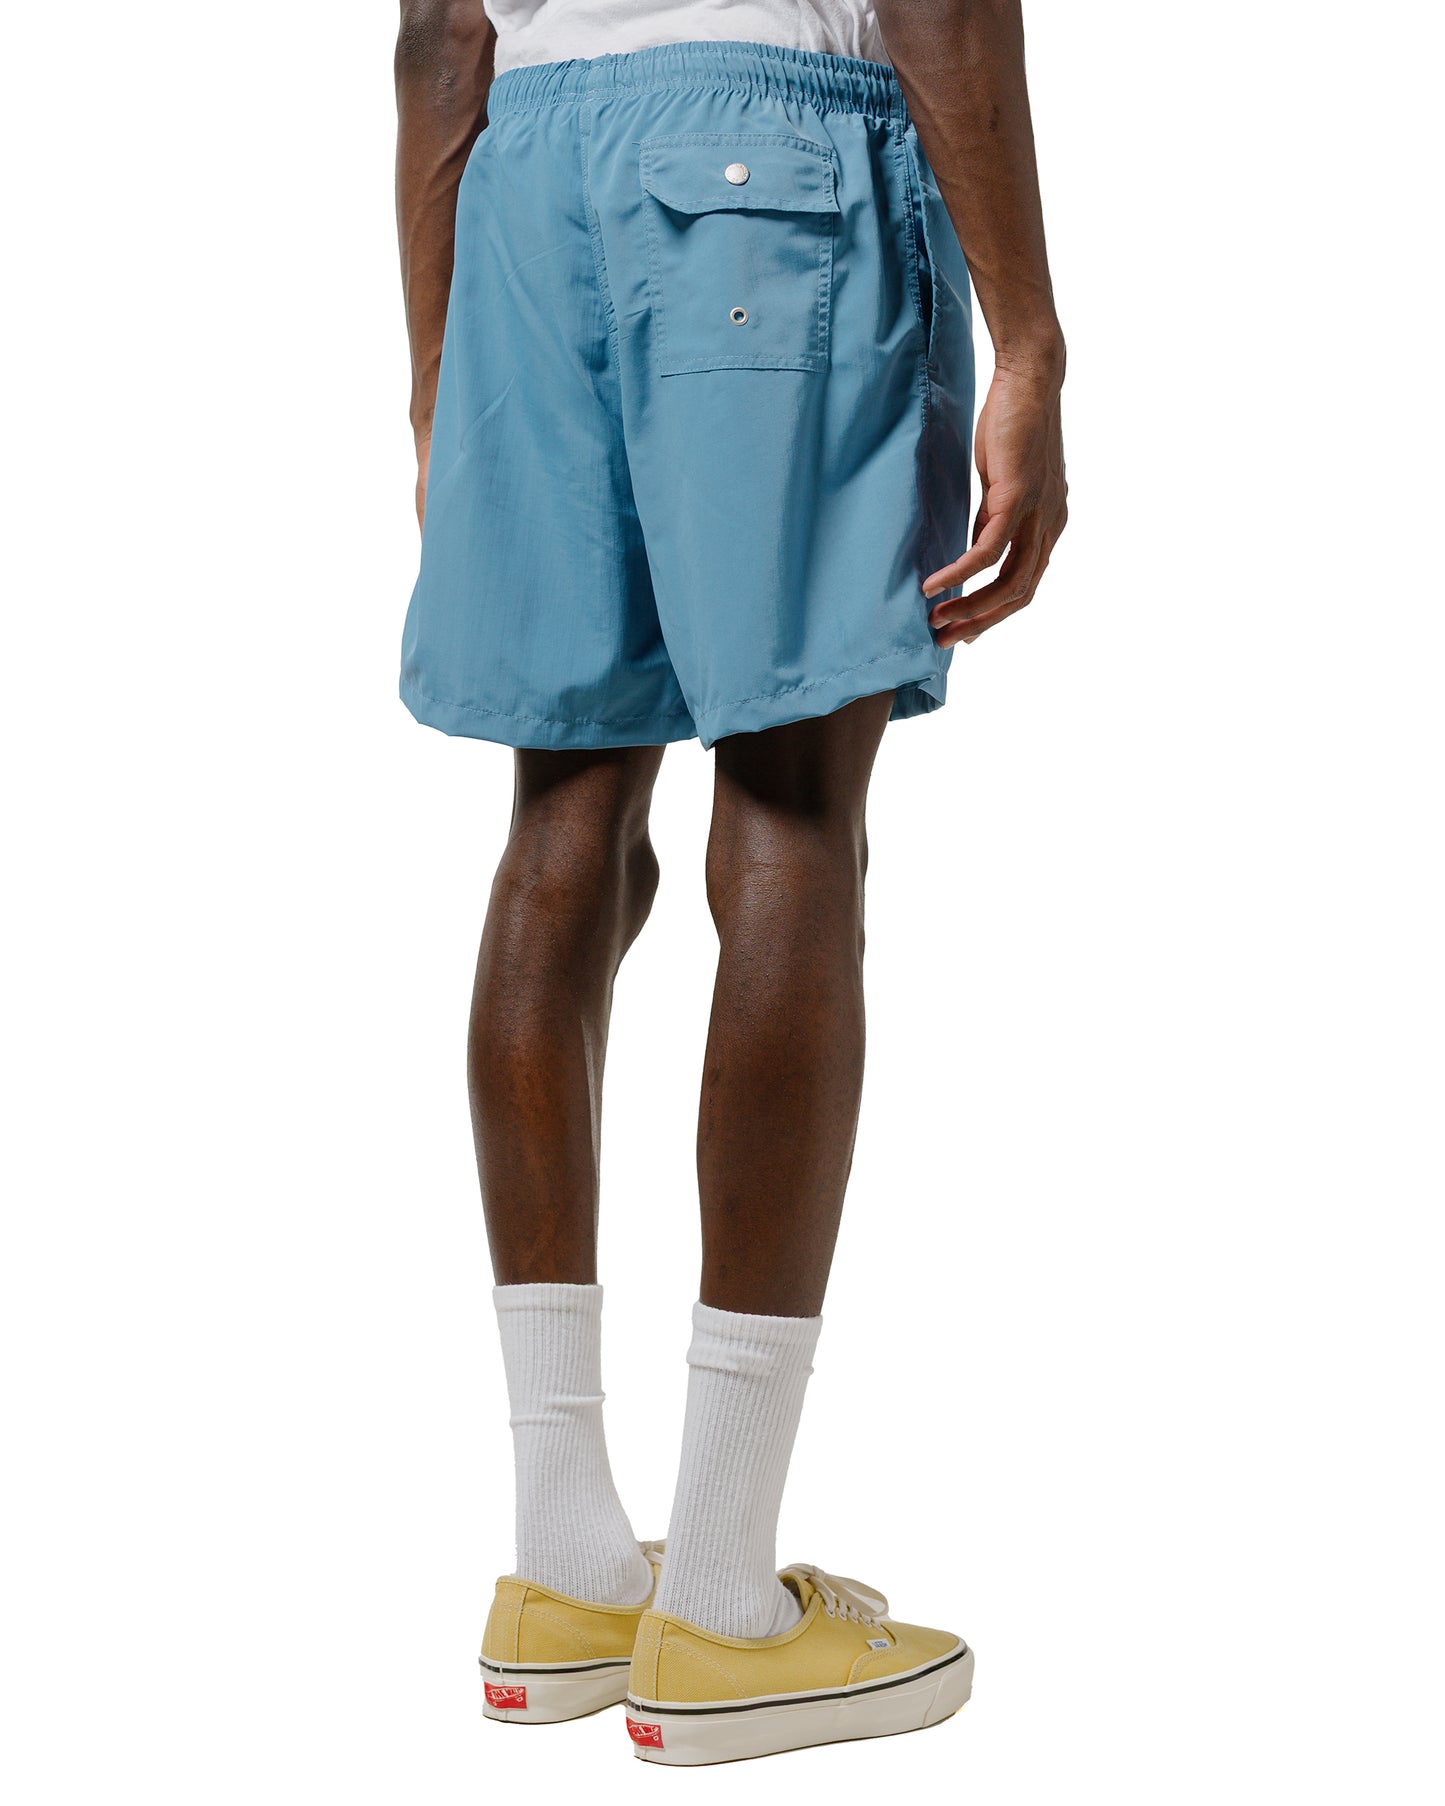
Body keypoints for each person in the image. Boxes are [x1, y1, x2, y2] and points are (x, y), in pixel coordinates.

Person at [393, 0, 1066, 1765]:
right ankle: (717, 1596)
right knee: (788, 815)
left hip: (524, 184)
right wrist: (1029, 342)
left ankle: (563, 1564)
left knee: (563, 818)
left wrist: (434, 363)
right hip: (768, 171)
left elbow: (438, 36)